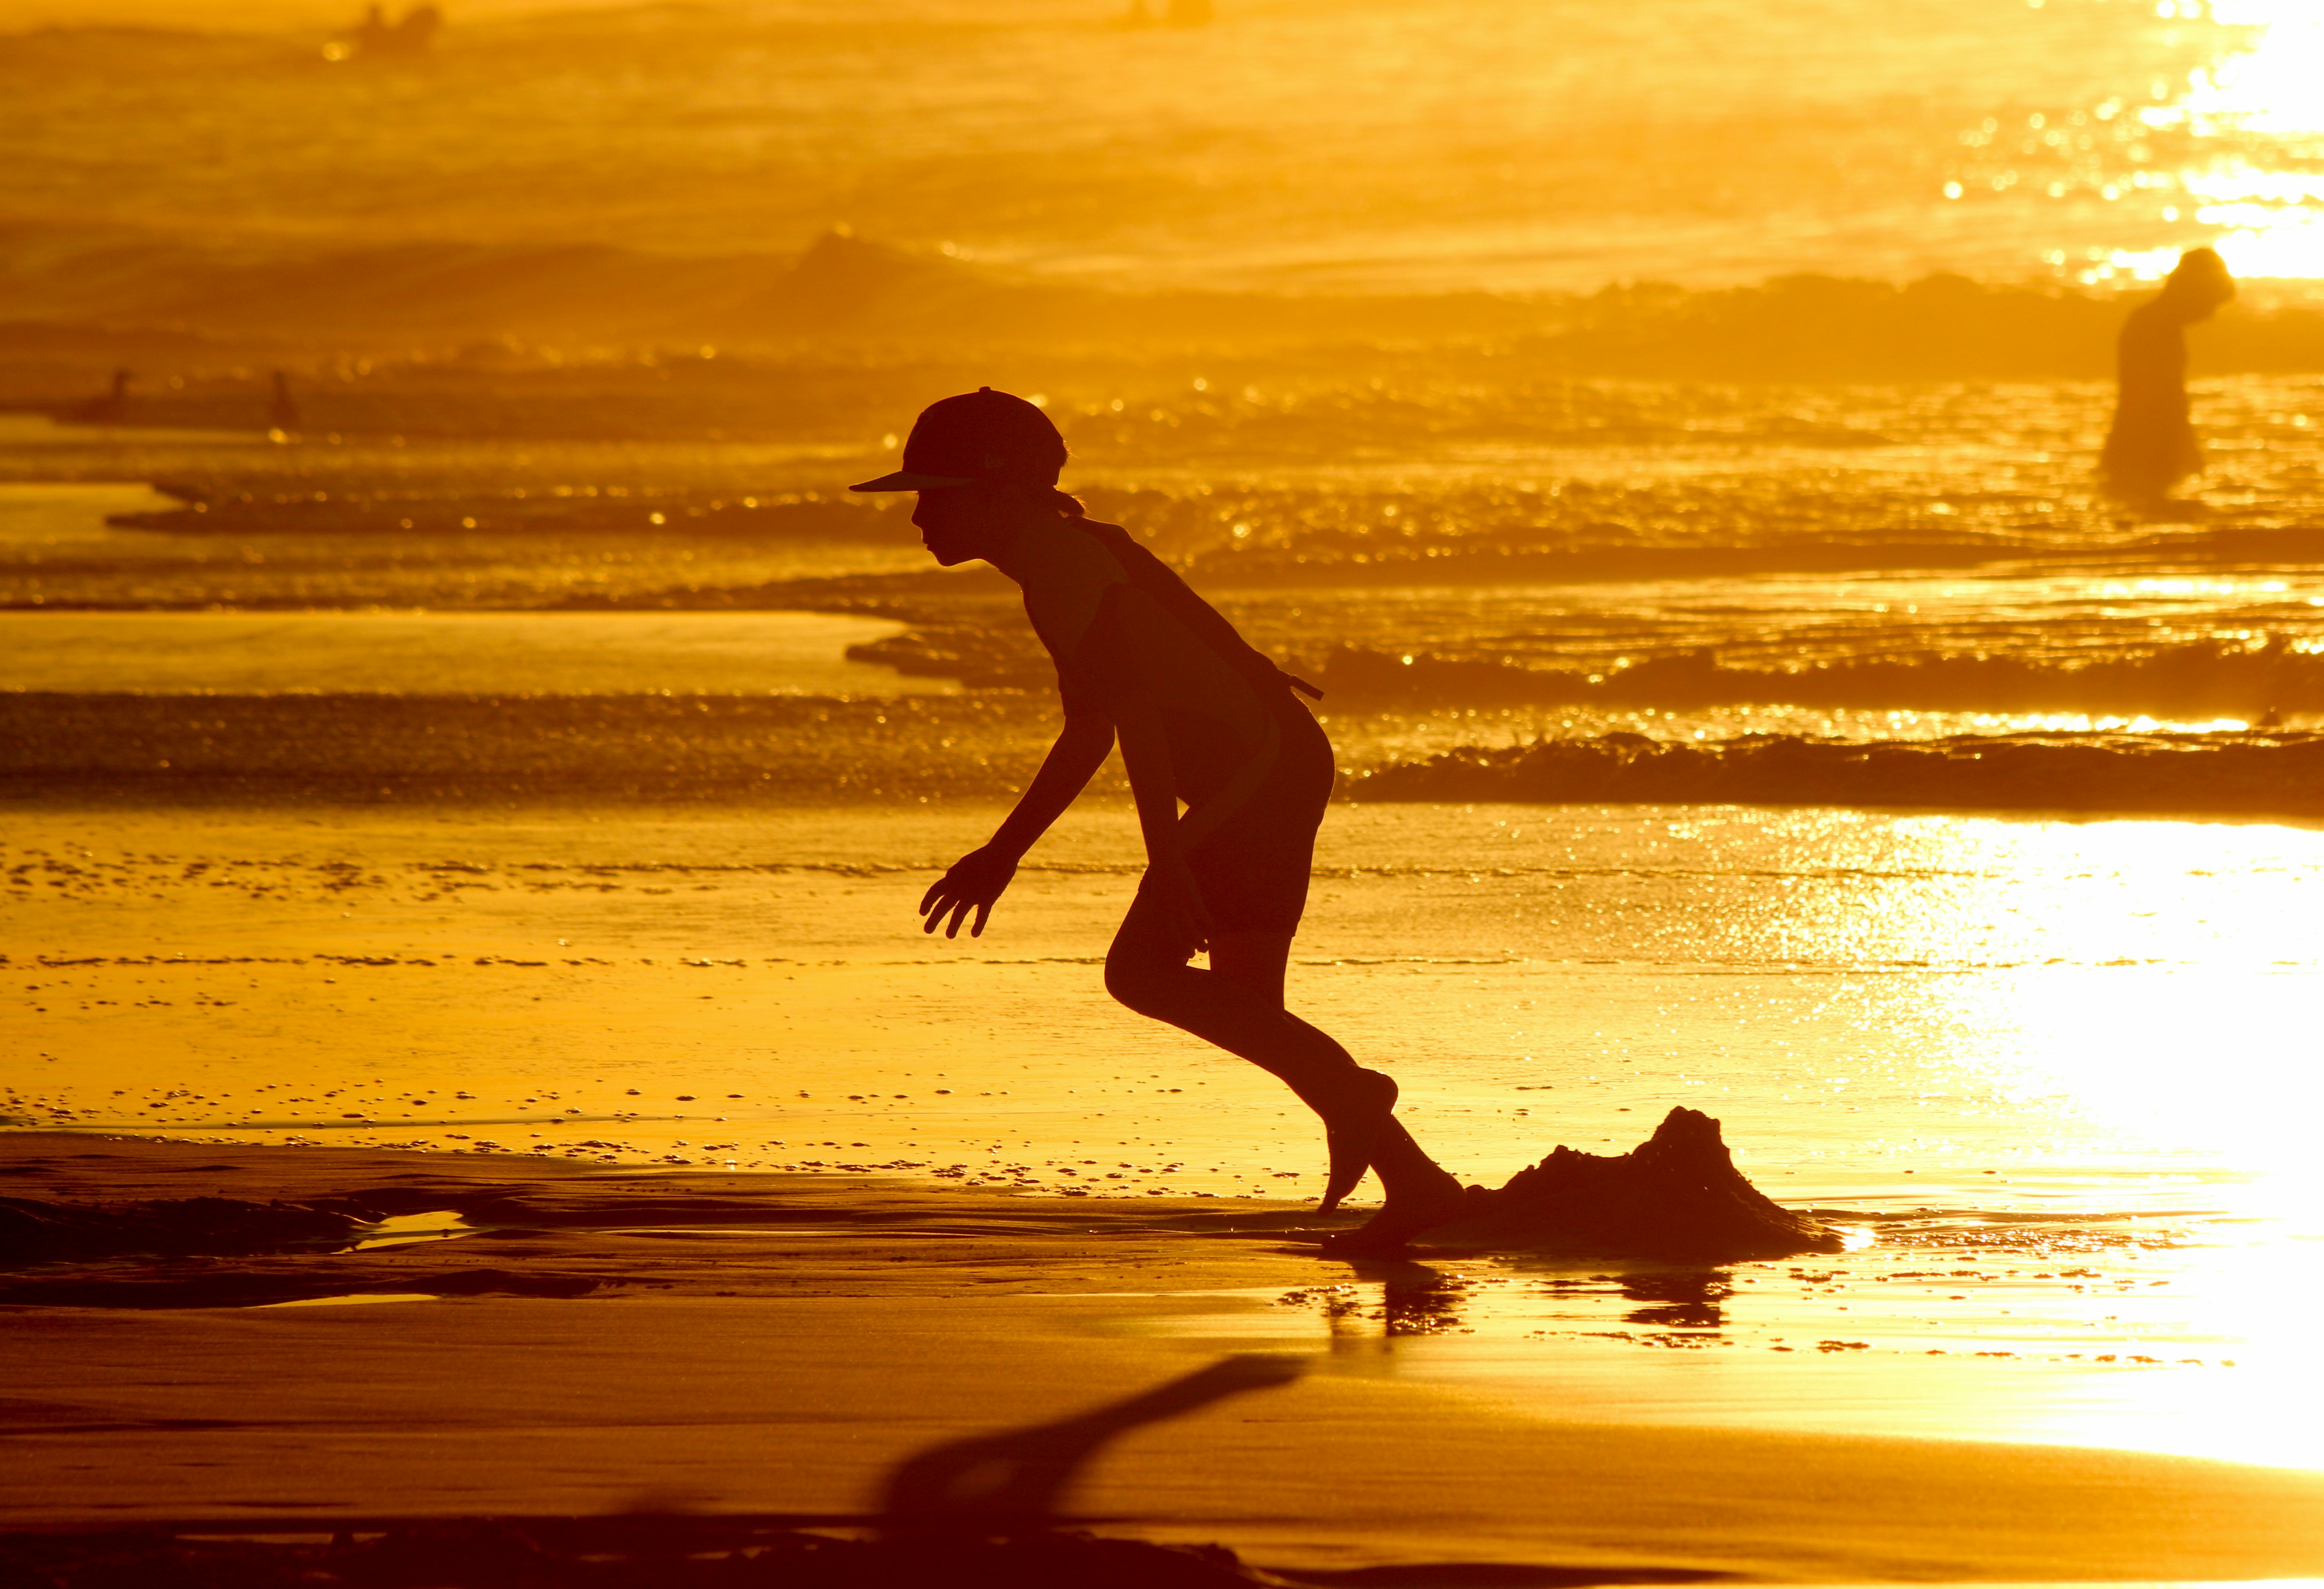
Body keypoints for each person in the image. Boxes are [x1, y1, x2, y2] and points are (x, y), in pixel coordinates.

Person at [852, 388, 1474, 1253]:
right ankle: (1405, 1165)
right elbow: (1092, 728)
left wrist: (1167, 863)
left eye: (934, 494)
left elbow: (1135, 723)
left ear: (1001, 493)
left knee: (1141, 973)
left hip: (1257, 773)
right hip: (1278, 762)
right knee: (1252, 1010)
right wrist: (1004, 853)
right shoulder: (1060, 560)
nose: (918, 516)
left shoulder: (1067, 569)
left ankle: (1372, 1118)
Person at [2099, 246, 2236, 510]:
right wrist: (2182, 445)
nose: (2210, 315)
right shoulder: (2153, 328)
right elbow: (2160, 397)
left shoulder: (2152, 323)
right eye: (2210, 304)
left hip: (2140, 442)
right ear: (2193, 293)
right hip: (2146, 446)